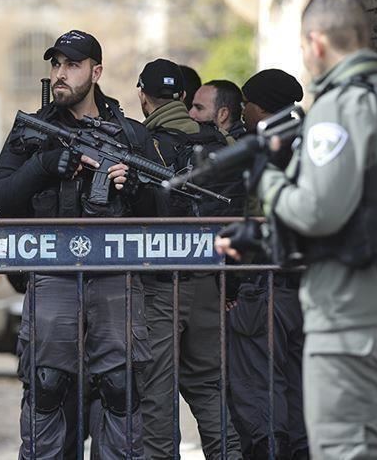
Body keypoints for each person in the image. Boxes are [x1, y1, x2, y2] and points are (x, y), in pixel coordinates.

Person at [216, 0, 377, 459]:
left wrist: (266, 181)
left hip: (347, 310)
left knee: (339, 445)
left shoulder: (337, 107)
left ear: (316, 43)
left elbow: (318, 211)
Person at [0, 29, 152, 459]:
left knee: (120, 386)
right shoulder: (32, 130)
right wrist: (43, 165)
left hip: (114, 275)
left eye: (73, 65)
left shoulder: (129, 135)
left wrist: (134, 187)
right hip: (53, 274)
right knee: (47, 384)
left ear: (96, 73)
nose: (60, 73)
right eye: (56, 64)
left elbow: (164, 208)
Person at [135, 58, 243, 460]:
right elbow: (238, 216)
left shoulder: (141, 143)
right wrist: (230, 283)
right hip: (208, 281)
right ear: (182, 96)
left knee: (157, 395)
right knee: (210, 390)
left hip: (160, 284)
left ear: (143, 96)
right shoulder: (221, 144)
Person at [225, 69, 307, 460]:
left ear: (262, 107)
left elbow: (244, 219)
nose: (242, 110)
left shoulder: (261, 150)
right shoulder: (315, 145)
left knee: (259, 394)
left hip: (265, 289)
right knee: (301, 391)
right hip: (309, 290)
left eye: (247, 103)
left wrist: (231, 287)